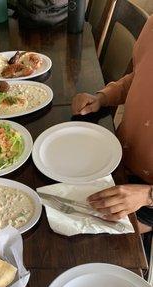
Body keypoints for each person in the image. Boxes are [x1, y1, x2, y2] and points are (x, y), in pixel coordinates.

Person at [71, 15, 153, 234]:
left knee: (87, 239)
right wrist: (103, 97)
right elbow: (139, 75)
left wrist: (147, 195)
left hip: (147, 198)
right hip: (119, 160)